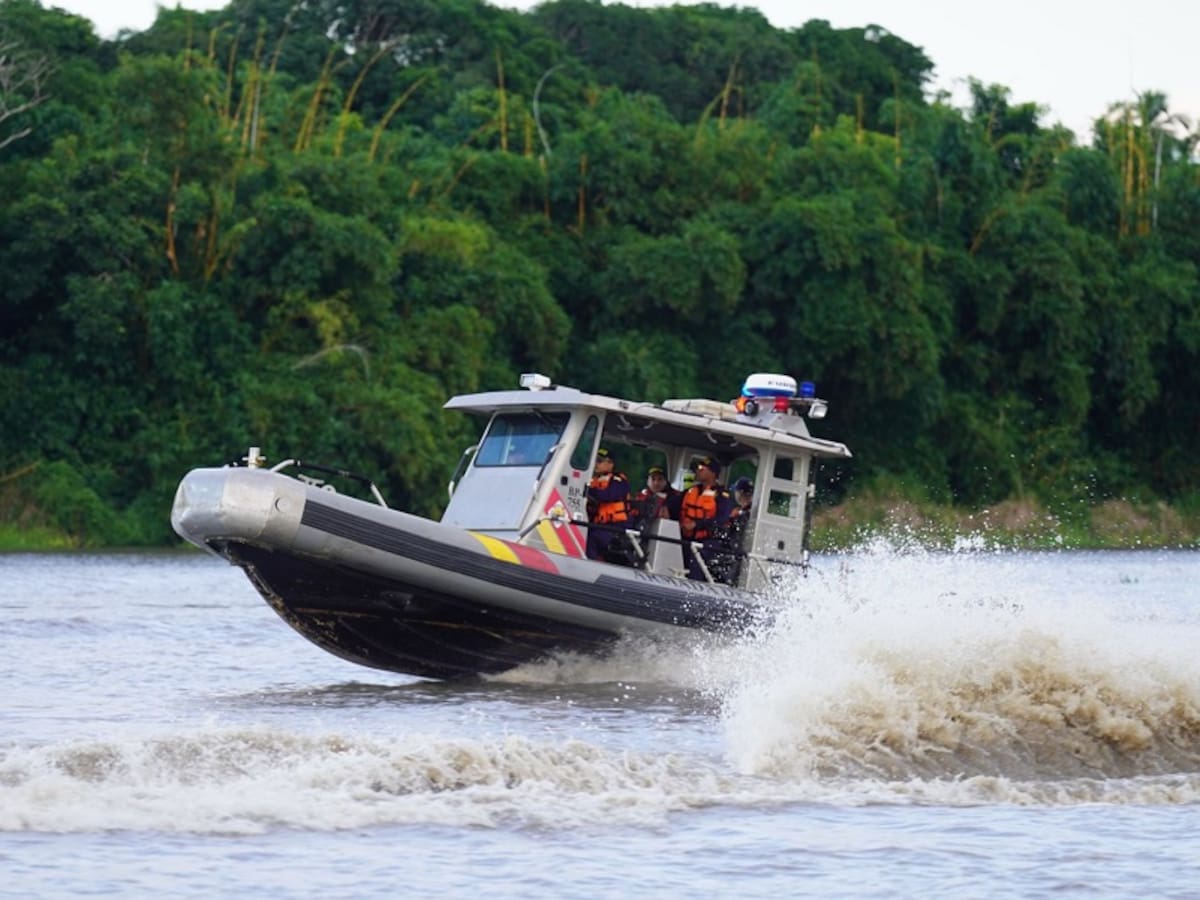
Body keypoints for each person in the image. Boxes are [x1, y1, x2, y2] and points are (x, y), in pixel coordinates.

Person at [678, 456, 734, 581]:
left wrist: (697, 524)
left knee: (698, 555)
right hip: (687, 536)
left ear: (713, 473)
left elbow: (721, 519)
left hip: (710, 539)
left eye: (702, 468)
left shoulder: (722, 496)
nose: (698, 471)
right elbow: (676, 504)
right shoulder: (691, 491)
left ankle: (693, 586)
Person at [585, 447, 632, 562]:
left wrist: (587, 491)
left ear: (611, 464)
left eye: (600, 461)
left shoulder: (618, 480)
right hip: (600, 525)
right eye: (595, 460)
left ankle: (591, 565)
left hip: (617, 528)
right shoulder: (593, 481)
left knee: (592, 536)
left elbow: (607, 496)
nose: (596, 464)